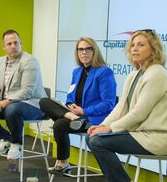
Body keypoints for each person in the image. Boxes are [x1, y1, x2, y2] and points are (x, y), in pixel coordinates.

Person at [88, 30, 167, 182]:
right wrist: (102, 126)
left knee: (98, 142)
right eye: (133, 45)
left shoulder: (157, 73)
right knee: (94, 137)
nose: (135, 49)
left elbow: (139, 113)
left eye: (141, 45)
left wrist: (110, 128)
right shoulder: (134, 74)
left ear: (153, 50)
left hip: (156, 138)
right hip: (140, 134)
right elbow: (121, 107)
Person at [39, 37, 117, 173]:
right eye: (80, 49)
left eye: (88, 49)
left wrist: (83, 111)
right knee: (44, 101)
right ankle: (73, 118)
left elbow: (108, 104)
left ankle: (63, 162)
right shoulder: (77, 72)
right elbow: (70, 96)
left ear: (94, 51)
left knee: (59, 124)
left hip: (92, 119)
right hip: (75, 116)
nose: (84, 52)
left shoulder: (104, 72)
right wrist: (70, 106)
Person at [0, 30, 48, 160]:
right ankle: (6, 139)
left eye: (16, 42)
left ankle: (16, 144)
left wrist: (2, 104)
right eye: (9, 44)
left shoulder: (29, 61)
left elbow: (27, 91)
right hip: (8, 105)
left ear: (21, 44)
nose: (13, 46)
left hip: (33, 104)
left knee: (12, 109)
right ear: (4, 47)